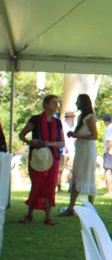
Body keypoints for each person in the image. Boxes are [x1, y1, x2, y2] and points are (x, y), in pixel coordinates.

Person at [17, 95, 64, 226]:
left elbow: (61, 143)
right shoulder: (35, 119)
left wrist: (48, 143)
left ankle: (48, 217)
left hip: (53, 158)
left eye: (57, 103)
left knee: (50, 186)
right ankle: (29, 214)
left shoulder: (57, 122)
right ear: (46, 104)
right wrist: (31, 142)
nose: (56, 106)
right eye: (54, 103)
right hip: (38, 158)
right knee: (37, 185)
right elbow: (22, 134)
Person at [60, 94, 99, 216]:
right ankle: (72, 207)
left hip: (87, 150)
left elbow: (94, 136)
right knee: (78, 175)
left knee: (86, 175)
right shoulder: (82, 117)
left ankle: (86, 207)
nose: (76, 104)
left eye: (78, 102)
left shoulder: (89, 117)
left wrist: (77, 136)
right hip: (82, 149)